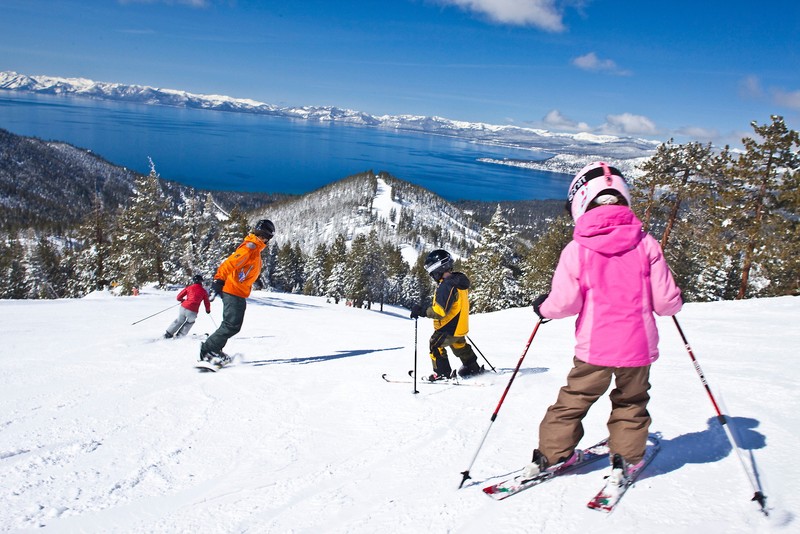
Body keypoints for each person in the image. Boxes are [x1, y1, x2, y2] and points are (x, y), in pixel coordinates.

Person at [523, 161, 683, 483]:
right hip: (638, 346)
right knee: (631, 402)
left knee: (573, 400)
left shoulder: (577, 249)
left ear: (580, 202)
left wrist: (543, 309)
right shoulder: (646, 244)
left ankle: (551, 457)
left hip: (594, 347)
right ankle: (626, 460)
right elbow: (666, 304)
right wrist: (676, 298)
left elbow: (566, 302)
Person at [199, 219, 275, 364]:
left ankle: (214, 349)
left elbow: (246, 269)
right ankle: (208, 350)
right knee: (231, 325)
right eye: (265, 236)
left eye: (268, 237)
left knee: (232, 325)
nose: (266, 240)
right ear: (260, 233)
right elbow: (229, 264)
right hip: (233, 290)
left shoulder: (255, 250)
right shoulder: (250, 248)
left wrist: (253, 280)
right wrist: (218, 280)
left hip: (238, 291)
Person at [410, 249, 482, 380]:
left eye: (432, 272)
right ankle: (472, 368)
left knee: (435, 345)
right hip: (460, 326)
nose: (432, 276)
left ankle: (442, 373)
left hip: (449, 327)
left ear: (438, 269)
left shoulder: (446, 286)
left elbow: (440, 311)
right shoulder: (458, 281)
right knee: (459, 346)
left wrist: (421, 311)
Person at [164, 274, 211, 338]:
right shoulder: (203, 291)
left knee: (179, 320)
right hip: (193, 310)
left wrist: (183, 300)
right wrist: (207, 310)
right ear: (201, 281)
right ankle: (180, 336)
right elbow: (206, 302)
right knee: (190, 322)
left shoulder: (189, 287)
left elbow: (178, 297)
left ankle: (168, 333)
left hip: (183, 307)